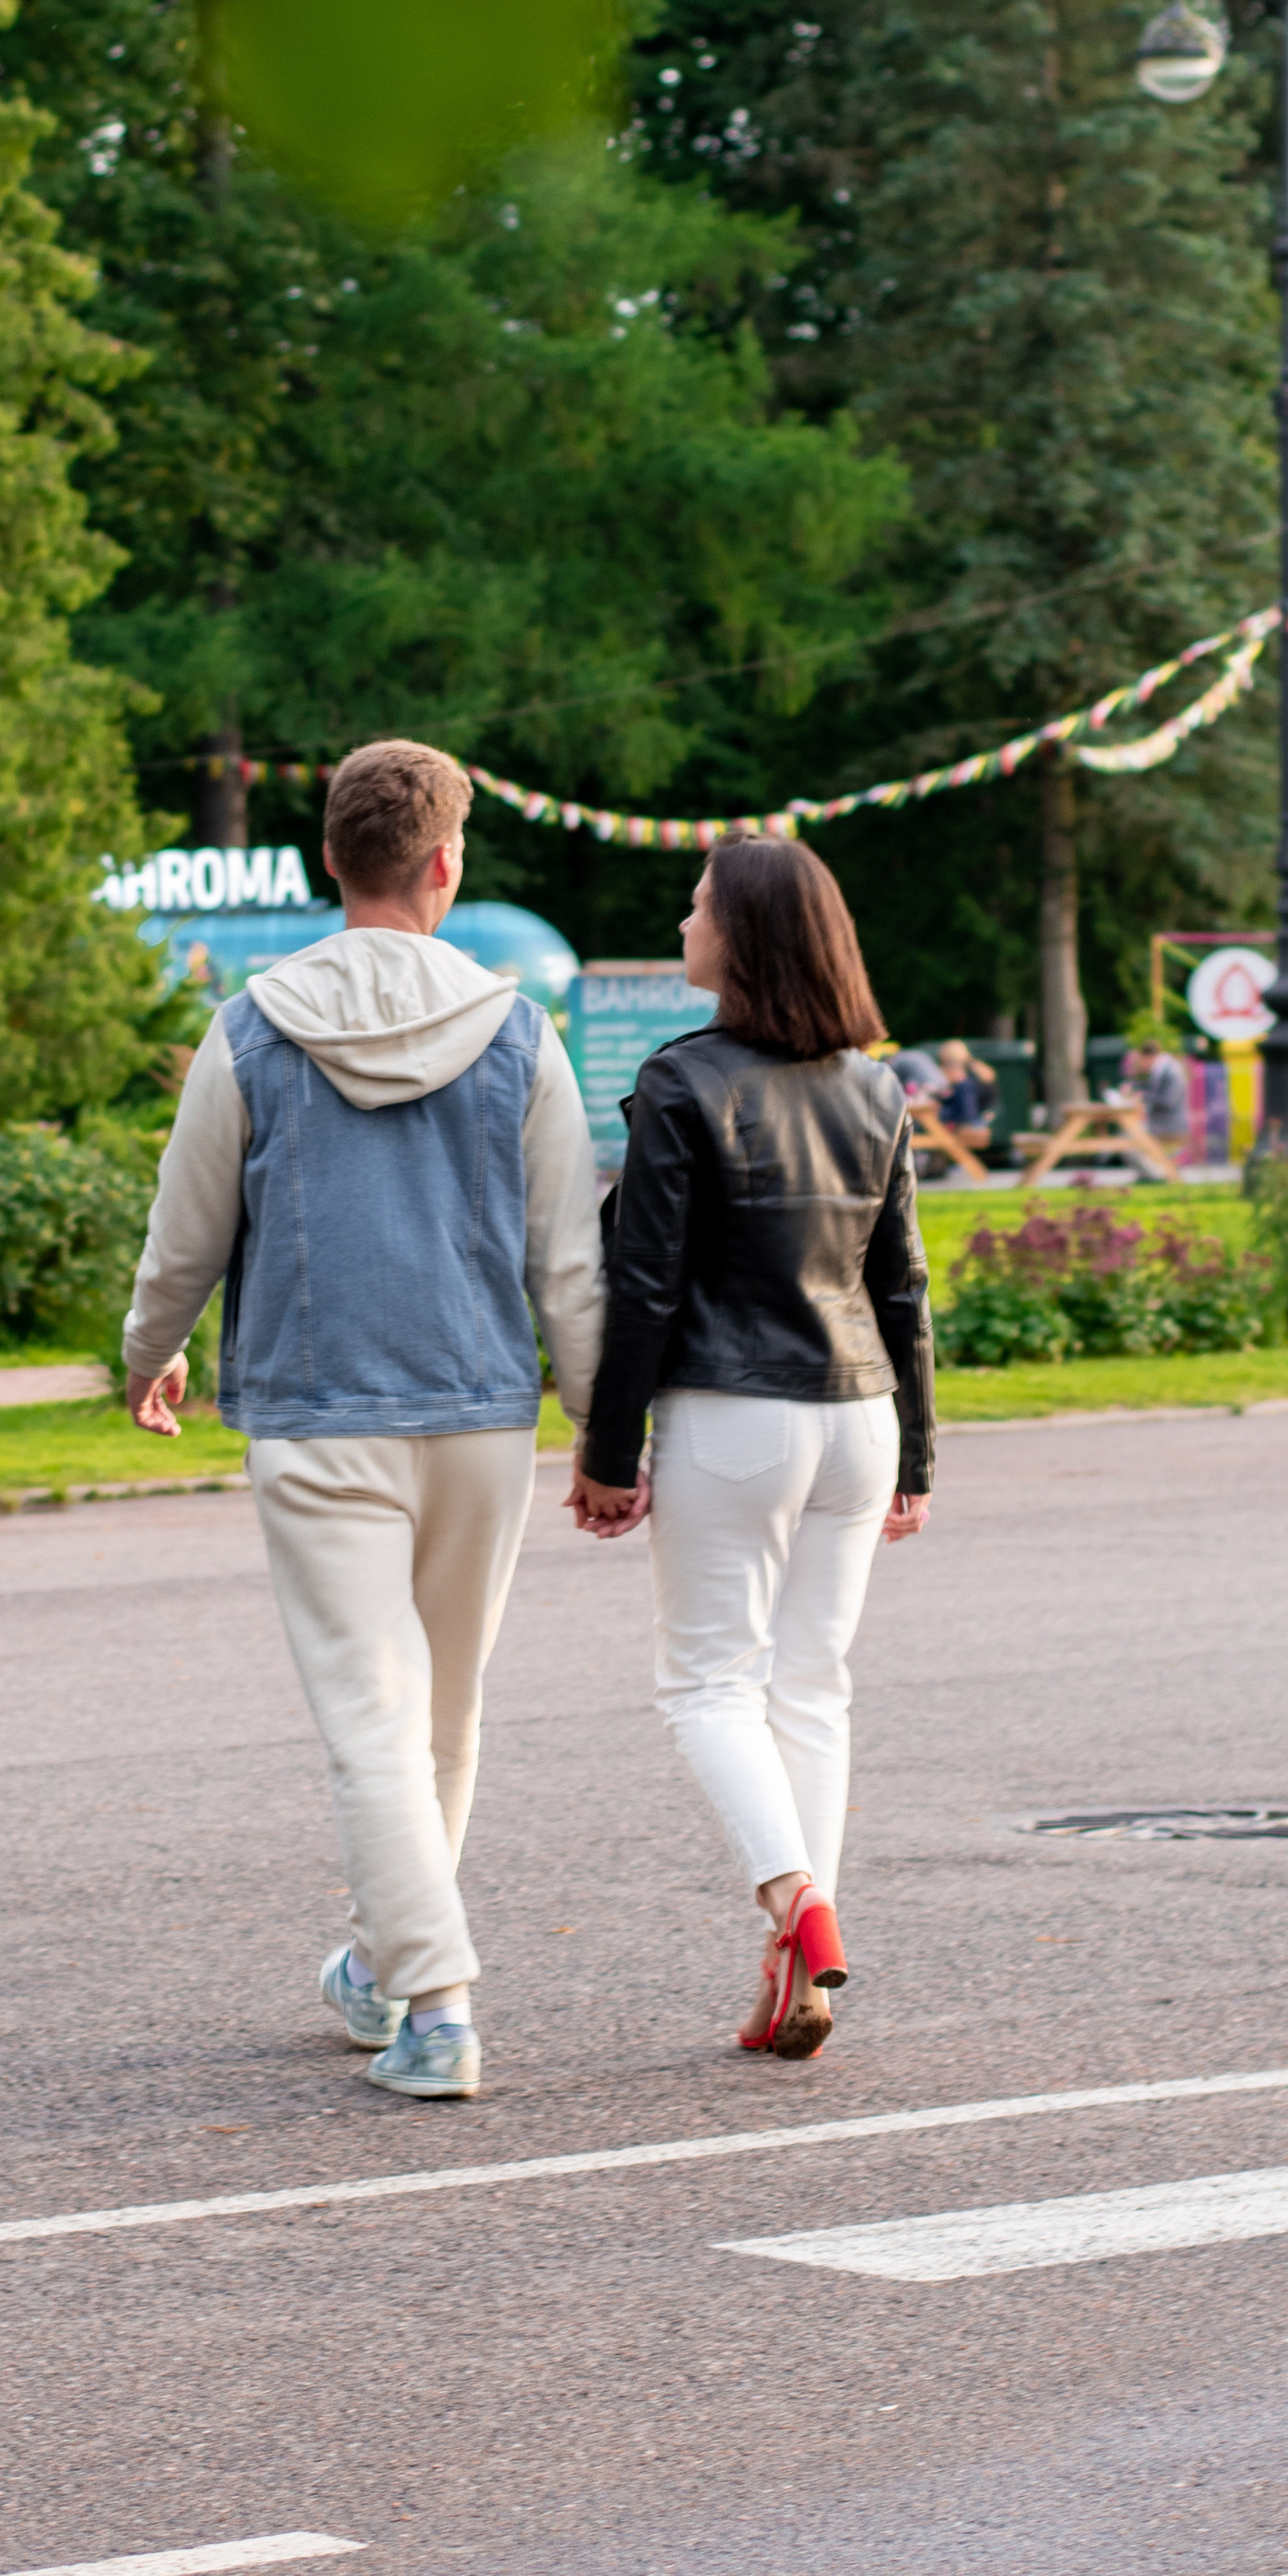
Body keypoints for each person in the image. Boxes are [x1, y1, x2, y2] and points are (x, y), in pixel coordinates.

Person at [119, 739, 605, 2101]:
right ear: (446, 863)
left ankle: (438, 2004)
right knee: (445, 1713)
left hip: (318, 1410)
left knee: (368, 1721)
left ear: (332, 858)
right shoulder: (519, 1029)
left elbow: (187, 1230)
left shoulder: (252, 1026)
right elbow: (570, 1257)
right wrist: (601, 1428)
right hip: (479, 1415)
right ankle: (389, 1967)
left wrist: (150, 1352)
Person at [569, 830, 932, 2065]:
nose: (683, 922)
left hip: (735, 1413)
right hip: (861, 1418)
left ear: (745, 937)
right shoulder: (876, 1088)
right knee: (812, 1688)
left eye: (697, 906)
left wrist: (608, 1453)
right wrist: (920, 1460)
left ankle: (795, 1899)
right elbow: (904, 1290)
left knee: (709, 1683)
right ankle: (799, 1970)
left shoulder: (683, 1084)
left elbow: (645, 1289)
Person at [931, 1038, 993, 1150]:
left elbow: (967, 1113)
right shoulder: (976, 1073)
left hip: (973, 1125)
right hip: (981, 1120)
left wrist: (942, 1112)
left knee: (930, 1130)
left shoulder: (964, 1083)